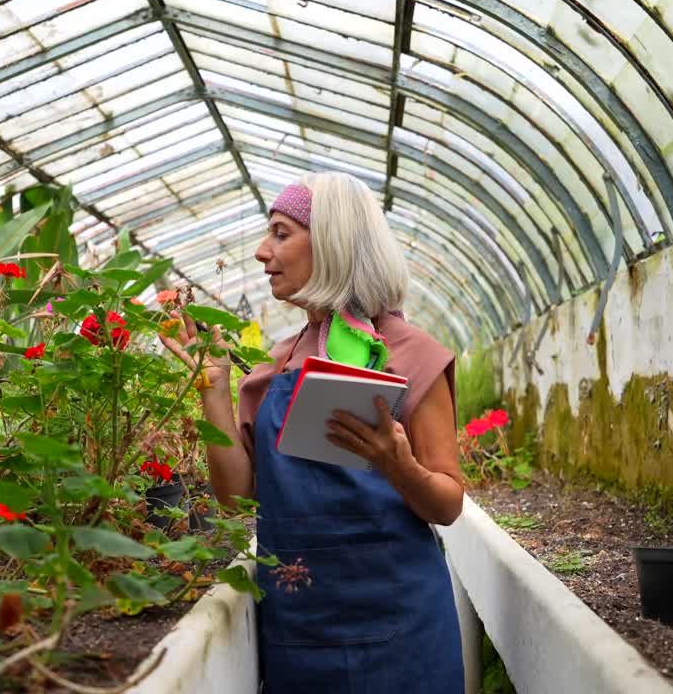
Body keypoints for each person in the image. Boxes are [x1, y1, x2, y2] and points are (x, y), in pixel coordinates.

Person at [159, 171, 466, 693]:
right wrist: (212, 389)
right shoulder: (270, 368)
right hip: (299, 620)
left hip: (402, 622)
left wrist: (400, 467)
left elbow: (448, 503)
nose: (262, 251)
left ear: (333, 243)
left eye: (281, 233)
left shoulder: (412, 355)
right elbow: (236, 500)